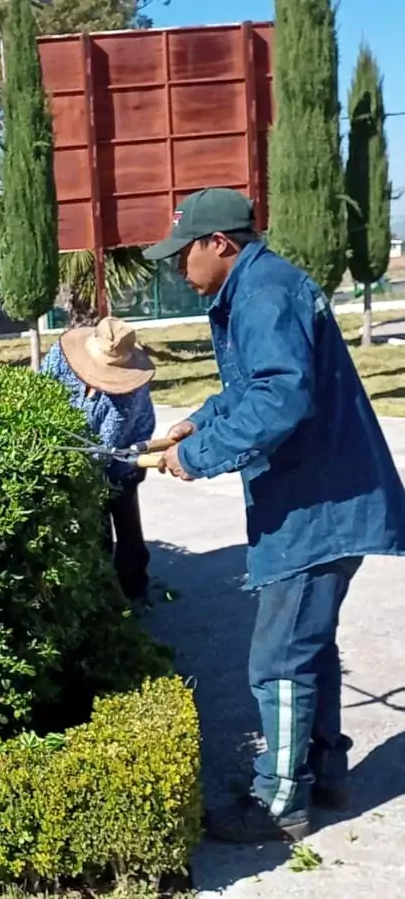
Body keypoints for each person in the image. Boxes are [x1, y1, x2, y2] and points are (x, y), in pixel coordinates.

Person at [143, 188, 405, 843]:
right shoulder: (260, 287)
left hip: (318, 505)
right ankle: (327, 773)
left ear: (220, 244)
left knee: (278, 658)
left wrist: (197, 456)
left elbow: (281, 399)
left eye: (183, 254)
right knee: (306, 645)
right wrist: (196, 421)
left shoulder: (261, 294)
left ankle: (277, 803)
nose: (177, 267)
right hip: (324, 496)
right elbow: (251, 388)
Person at [41, 317, 156, 601]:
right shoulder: (61, 356)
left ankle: (132, 587)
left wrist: (76, 481)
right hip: (81, 447)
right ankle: (100, 585)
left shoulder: (128, 392)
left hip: (123, 452)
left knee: (122, 513)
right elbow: (40, 393)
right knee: (97, 524)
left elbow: (104, 448)